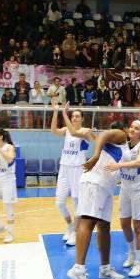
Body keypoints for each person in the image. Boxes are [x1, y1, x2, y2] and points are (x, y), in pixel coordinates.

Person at [66, 121, 128, 279]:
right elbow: (104, 135)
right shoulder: (121, 135)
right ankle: (78, 269)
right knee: (87, 222)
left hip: (106, 187)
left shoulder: (124, 146)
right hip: (95, 183)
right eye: (131, 127)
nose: (132, 130)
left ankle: (105, 268)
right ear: (124, 129)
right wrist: (95, 156)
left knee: (104, 227)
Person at [104, 120, 140, 278]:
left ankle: (139, 263)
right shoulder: (123, 144)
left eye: (136, 128)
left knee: (138, 227)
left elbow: (139, 162)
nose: (132, 129)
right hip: (125, 188)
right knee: (124, 223)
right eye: (131, 127)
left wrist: (119, 166)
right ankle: (131, 253)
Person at [50, 101, 89, 246]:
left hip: (78, 169)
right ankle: (70, 225)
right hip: (64, 168)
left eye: (77, 116)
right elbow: (54, 131)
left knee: (76, 202)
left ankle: (75, 232)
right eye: (73, 116)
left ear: (82, 119)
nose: (75, 118)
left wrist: (64, 114)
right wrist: (56, 112)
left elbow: (74, 133)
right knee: (59, 202)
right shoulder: (66, 129)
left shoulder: (86, 131)